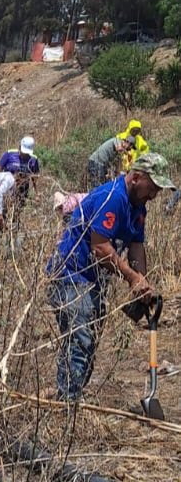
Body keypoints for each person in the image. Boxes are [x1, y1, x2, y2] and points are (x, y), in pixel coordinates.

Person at [46, 153, 174, 402]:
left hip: (93, 280)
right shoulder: (113, 197)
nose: (155, 194)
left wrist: (142, 281)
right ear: (136, 177)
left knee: (89, 341)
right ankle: (67, 405)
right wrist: (132, 278)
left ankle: (72, 398)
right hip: (71, 275)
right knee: (80, 341)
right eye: (153, 187)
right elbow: (100, 248)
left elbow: (136, 246)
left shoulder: (138, 207)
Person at [0, 136, 40, 210]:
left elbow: (35, 178)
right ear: (19, 147)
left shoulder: (33, 159)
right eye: (24, 152)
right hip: (7, 188)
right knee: (4, 208)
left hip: (23, 190)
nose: (25, 155)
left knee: (18, 210)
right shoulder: (9, 154)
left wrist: (37, 194)